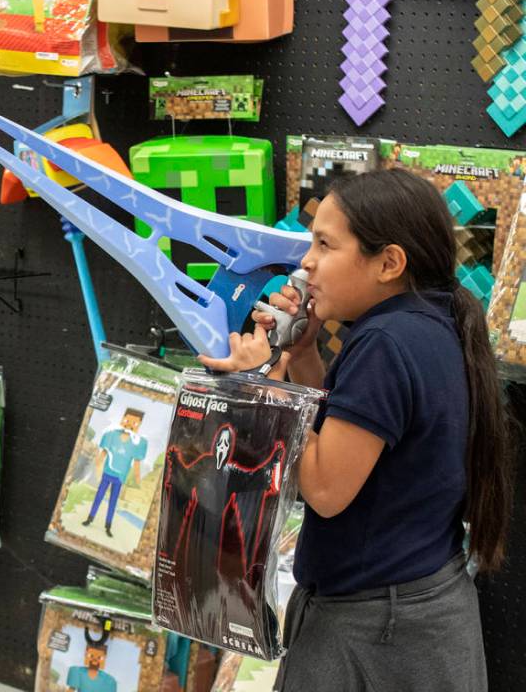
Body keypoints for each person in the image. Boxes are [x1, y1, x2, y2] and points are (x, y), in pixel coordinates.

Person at [200, 169, 514, 692]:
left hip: (378, 628)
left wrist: (266, 382)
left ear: (388, 263)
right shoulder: (424, 325)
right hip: (413, 612)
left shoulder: (386, 342)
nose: (306, 261)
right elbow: (350, 443)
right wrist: (301, 360)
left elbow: (326, 489)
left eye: (325, 244)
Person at [82, 408, 147, 538]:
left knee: (113, 501)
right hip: (107, 473)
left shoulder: (137, 443)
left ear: (139, 424)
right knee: (99, 497)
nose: (129, 424)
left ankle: (108, 525)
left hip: (120, 477)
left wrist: (138, 478)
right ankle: (90, 518)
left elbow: (136, 463)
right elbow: (102, 454)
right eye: (127, 420)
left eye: (135, 423)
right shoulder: (111, 435)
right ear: (123, 418)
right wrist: (98, 466)